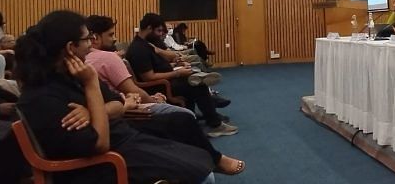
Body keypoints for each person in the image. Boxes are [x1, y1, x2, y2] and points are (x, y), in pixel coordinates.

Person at [15, 10, 220, 184]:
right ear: (70, 47)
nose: (90, 44)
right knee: (201, 175)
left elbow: (117, 102)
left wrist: (93, 111)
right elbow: (100, 144)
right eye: (87, 39)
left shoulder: (70, 76)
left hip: (123, 142)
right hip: (103, 165)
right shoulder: (43, 97)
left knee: (199, 160)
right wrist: (92, 85)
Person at [126, 13, 237, 137]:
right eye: (158, 31)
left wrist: (176, 66)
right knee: (197, 85)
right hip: (158, 87)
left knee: (194, 80)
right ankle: (215, 123)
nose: (160, 34)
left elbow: (158, 66)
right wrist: (177, 73)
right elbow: (149, 77)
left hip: (166, 80)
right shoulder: (138, 49)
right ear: (149, 28)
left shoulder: (146, 44)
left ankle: (199, 116)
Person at [84, 15, 196, 117]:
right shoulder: (109, 57)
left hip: (120, 107)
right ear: (95, 38)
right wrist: (155, 101)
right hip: (129, 112)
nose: (115, 39)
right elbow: (135, 88)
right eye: (111, 35)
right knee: (187, 115)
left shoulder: (80, 62)